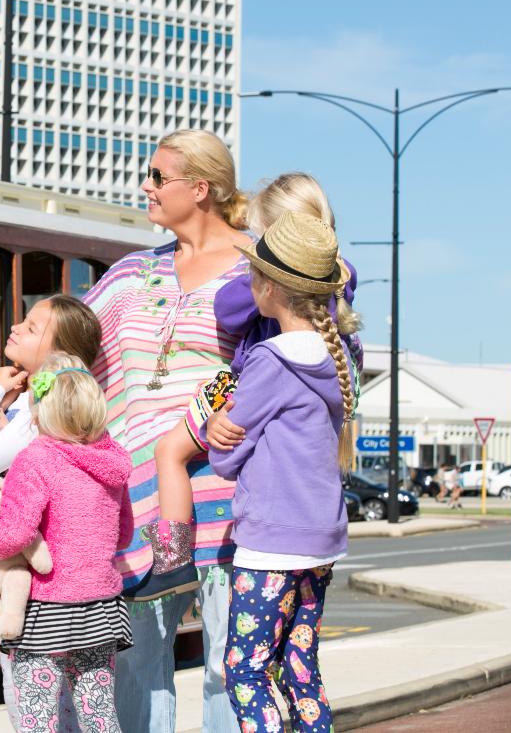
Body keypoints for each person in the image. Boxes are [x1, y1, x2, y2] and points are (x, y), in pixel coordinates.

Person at [82, 128, 248, 732]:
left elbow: (289, 357)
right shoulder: (130, 274)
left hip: (231, 495)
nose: (145, 187)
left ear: (200, 188)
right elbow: (71, 350)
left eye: (158, 176)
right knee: (134, 659)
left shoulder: (260, 268)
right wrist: (11, 395)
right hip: (133, 498)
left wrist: (230, 408)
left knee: (230, 664)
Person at [141, 173, 362, 600]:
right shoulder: (338, 278)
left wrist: (260, 267)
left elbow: (227, 309)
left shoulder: (281, 300)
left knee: (169, 450)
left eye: (260, 238)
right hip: (315, 514)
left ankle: (173, 561)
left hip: (245, 386)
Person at [206, 210, 357, 733]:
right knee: (299, 668)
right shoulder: (337, 360)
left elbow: (225, 455)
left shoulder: (270, 361)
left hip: (271, 542)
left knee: (244, 671)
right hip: (321, 539)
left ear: (268, 289)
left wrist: (214, 426)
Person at [0, 294, 103, 731]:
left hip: (40, 590)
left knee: (37, 706)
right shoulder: (40, 403)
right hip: (61, 585)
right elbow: (2, 481)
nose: (17, 327)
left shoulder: (43, 405)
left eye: (32, 327)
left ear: (60, 353)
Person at [0, 353, 134, 733]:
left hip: (47, 610)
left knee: (37, 717)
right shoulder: (111, 462)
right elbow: (124, 534)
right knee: (99, 714)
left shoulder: (36, 459)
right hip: (101, 609)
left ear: (37, 412)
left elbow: (13, 533)